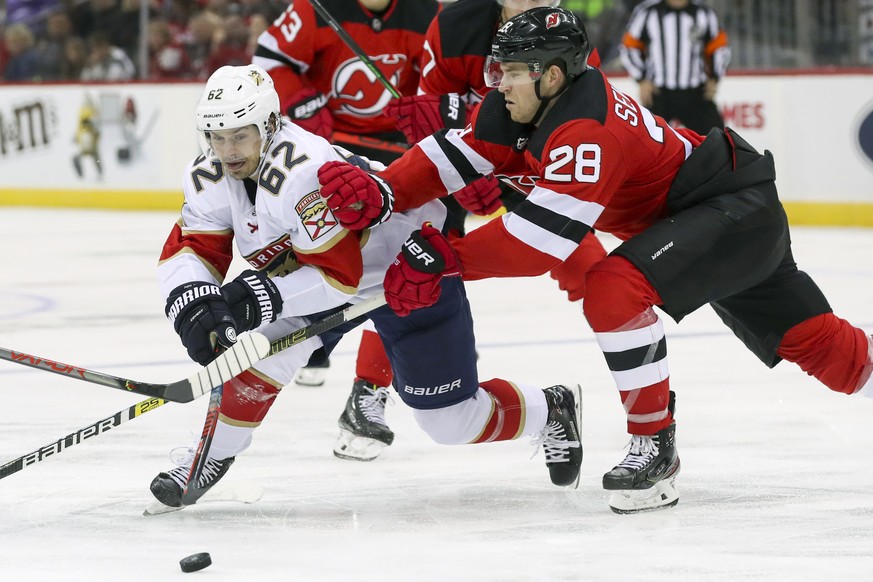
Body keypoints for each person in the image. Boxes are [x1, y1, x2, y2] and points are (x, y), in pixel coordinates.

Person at [316, 7, 873, 514]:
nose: (498, 84)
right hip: (707, 211)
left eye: (511, 72)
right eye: (498, 70)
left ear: (552, 75)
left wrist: (441, 258)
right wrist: (385, 191)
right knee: (826, 350)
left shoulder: (586, 129)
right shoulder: (527, 101)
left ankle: (654, 447)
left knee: (612, 286)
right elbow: (454, 155)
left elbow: (539, 243)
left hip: (727, 211)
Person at [148, 63, 583, 511]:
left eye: (239, 135)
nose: (227, 150)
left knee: (451, 423)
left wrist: (261, 297)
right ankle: (210, 459)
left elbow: (338, 279)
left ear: (270, 125)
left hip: (407, 272)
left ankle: (552, 408)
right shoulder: (209, 173)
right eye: (217, 137)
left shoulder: (301, 174)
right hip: (324, 275)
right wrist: (193, 297)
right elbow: (195, 246)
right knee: (255, 359)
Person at [251, 0, 477, 461]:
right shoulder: (314, 10)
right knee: (330, 267)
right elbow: (268, 63)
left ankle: (367, 392)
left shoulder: (428, 15)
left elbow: (445, 85)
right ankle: (316, 343)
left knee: (408, 276)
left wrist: (433, 114)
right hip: (332, 160)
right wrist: (301, 101)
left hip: (408, 164)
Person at [619, 0, 730, 135]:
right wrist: (641, 79)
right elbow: (629, 47)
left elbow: (719, 47)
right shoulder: (647, 12)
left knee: (718, 140)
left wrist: (715, 77)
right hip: (658, 93)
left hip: (696, 93)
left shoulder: (704, 13)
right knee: (644, 142)